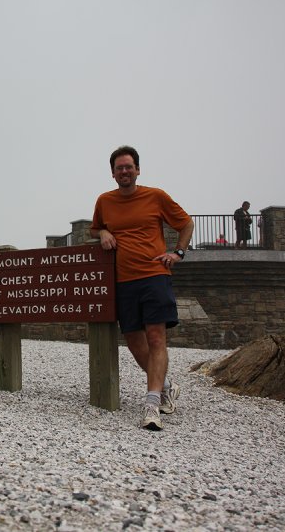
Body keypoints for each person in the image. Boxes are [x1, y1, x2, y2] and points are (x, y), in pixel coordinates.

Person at [90, 145, 194, 431]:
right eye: (119, 168)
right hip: (123, 281)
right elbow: (95, 226)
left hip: (154, 275)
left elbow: (186, 223)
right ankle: (167, 386)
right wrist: (103, 231)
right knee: (136, 344)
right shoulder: (104, 201)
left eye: (129, 166)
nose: (124, 171)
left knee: (156, 337)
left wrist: (179, 253)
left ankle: (151, 404)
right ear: (113, 173)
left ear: (137, 169)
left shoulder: (156, 196)